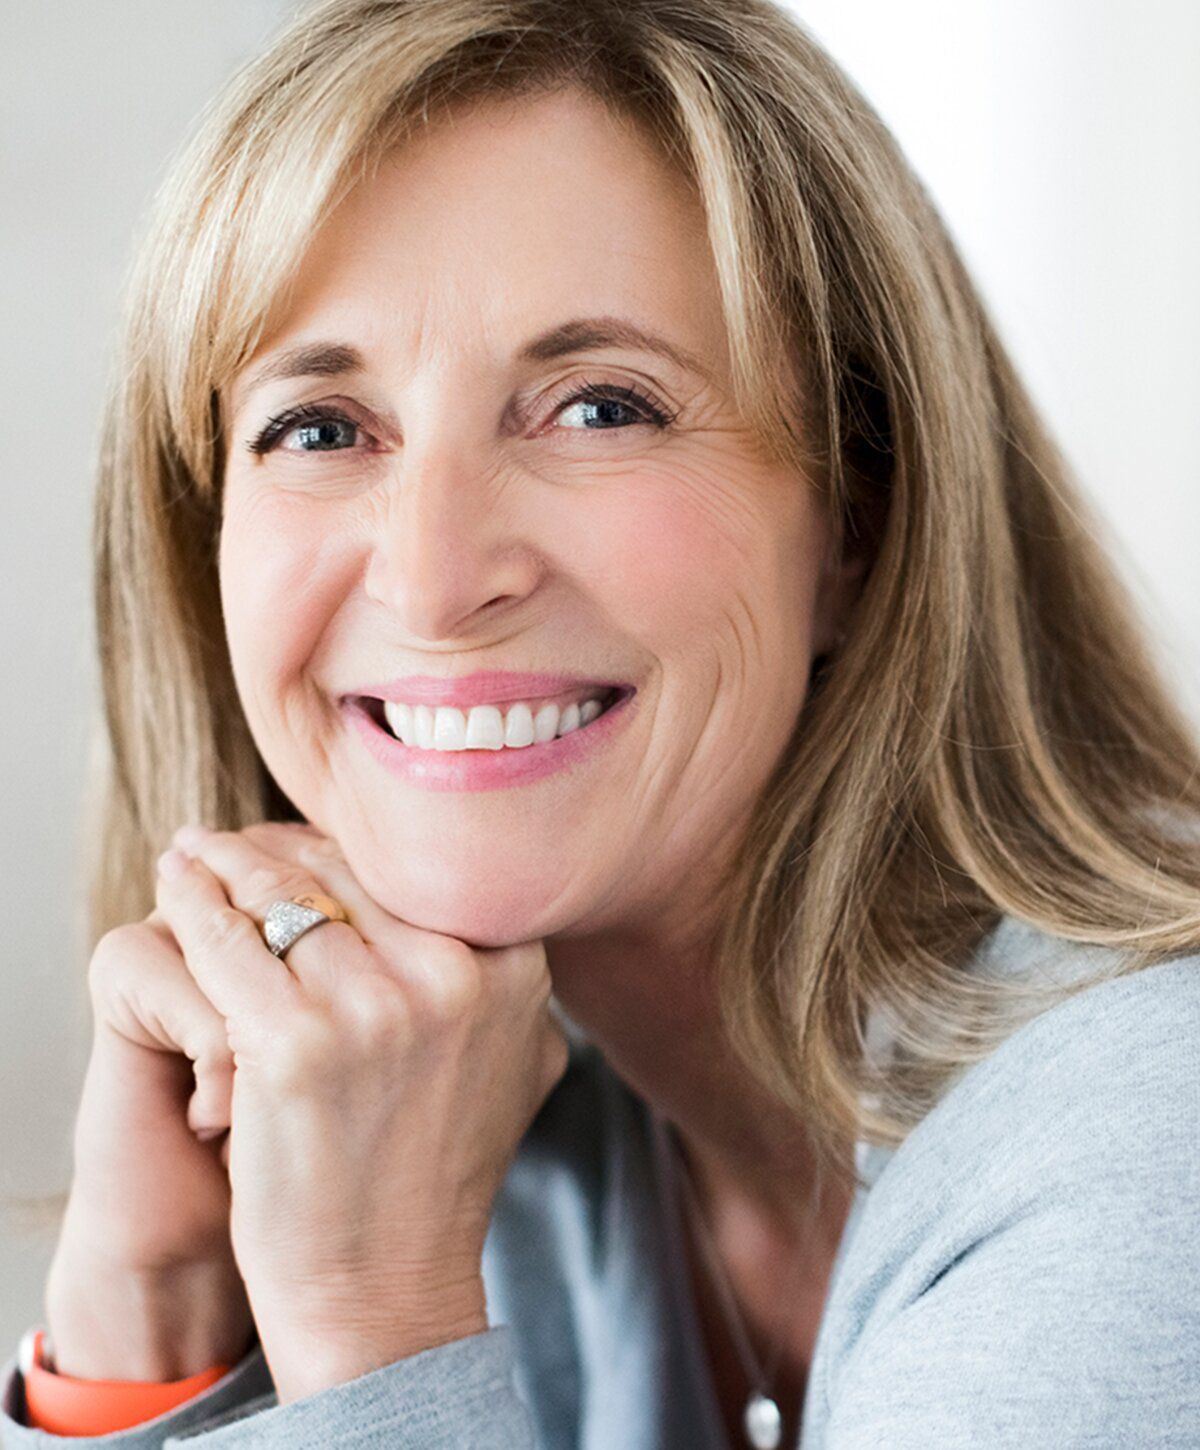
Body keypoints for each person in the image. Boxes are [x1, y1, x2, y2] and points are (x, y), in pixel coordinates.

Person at [4, 0, 1200, 1444]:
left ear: (859, 522)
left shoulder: (1152, 1138)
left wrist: (375, 1317)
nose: (438, 581)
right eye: (321, 428)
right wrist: (149, 1315)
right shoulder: (424, 1087)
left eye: (600, 408)